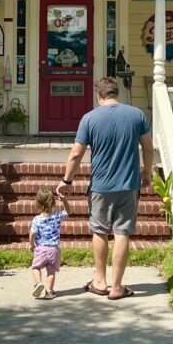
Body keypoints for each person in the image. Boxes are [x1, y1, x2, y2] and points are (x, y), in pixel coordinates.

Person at [57, 77, 153, 300]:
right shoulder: (136, 115)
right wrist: (146, 172)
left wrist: (67, 181)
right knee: (122, 233)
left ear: (98, 96)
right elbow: (148, 148)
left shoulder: (89, 118)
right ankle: (117, 287)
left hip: (101, 186)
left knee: (100, 231)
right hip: (129, 184)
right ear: (116, 93)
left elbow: (76, 154)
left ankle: (100, 282)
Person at [29, 188, 67, 300]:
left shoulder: (37, 219)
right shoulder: (57, 216)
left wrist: (31, 244)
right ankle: (49, 292)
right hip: (54, 249)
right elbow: (68, 211)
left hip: (41, 248)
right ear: (53, 202)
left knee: (36, 267)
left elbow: (32, 234)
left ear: (38, 203)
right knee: (51, 271)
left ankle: (38, 283)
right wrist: (64, 200)